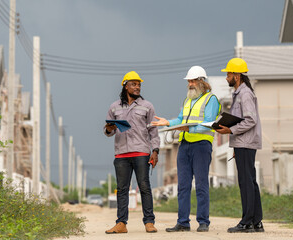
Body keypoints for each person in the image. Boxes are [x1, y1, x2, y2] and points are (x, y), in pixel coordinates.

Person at [151, 66, 221, 232]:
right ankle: (183, 222)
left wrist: (190, 130)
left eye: (193, 81)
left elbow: (209, 123)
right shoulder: (187, 100)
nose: (190, 84)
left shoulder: (211, 100)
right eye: (189, 81)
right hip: (185, 145)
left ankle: (203, 222)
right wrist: (168, 122)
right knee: (183, 186)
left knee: (202, 184)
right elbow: (182, 119)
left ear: (202, 82)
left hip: (201, 145)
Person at [104, 71, 160, 234]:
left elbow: (153, 132)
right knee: (122, 189)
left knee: (144, 186)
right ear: (125, 86)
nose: (137, 87)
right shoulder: (114, 107)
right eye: (134, 84)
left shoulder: (147, 106)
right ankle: (121, 223)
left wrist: (155, 150)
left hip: (141, 152)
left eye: (139, 84)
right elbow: (108, 131)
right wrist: (108, 128)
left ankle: (149, 222)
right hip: (121, 154)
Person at [216, 58, 264, 233]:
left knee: (246, 182)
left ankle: (247, 222)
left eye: (228, 74)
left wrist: (230, 131)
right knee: (250, 181)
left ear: (237, 76)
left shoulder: (244, 94)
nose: (226, 77)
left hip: (246, 143)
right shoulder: (240, 93)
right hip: (243, 143)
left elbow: (251, 120)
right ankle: (256, 222)